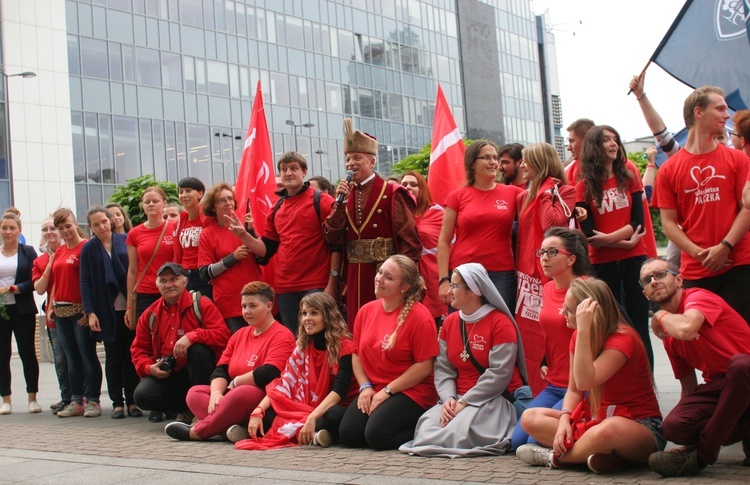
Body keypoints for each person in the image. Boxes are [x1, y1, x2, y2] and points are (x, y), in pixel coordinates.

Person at [516, 278, 664, 474]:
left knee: (609, 430)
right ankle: (605, 457)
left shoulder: (623, 339)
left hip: (639, 426)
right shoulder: (578, 335)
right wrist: (564, 421)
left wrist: (584, 330)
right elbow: (574, 389)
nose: (563, 313)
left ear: (588, 312)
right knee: (530, 417)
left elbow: (586, 381)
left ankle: (557, 458)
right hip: (596, 420)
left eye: (569, 309)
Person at [399, 262, 528, 457]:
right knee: (427, 427)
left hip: (489, 398)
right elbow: (443, 367)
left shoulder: (500, 323)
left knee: (458, 434)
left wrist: (464, 402)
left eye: (455, 286)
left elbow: (499, 374)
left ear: (474, 292)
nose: (449, 291)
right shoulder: (450, 322)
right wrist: (449, 398)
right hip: (455, 397)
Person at [639, 258, 750, 477]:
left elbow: (687, 329)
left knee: (740, 365)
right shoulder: (668, 335)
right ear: (645, 294)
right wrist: (687, 439)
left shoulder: (699, 297)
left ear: (679, 280)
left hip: (745, 372)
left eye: (660, 274)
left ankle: (704, 454)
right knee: (674, 426)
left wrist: (660, 315)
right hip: (723, 387)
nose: (653, 281)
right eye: (647, 279)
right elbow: (688, 386)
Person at [655, 86, 750, 324]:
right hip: (697, 272)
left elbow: (747, 208)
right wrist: (698, 253)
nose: (727, 115)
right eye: (719, 108)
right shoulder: (669, 169)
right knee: (708, 347)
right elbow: (668, 224)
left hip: (739, 264)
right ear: (698, 112)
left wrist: (725, 246)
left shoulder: (738, 158)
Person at [164, 281, 295, 441]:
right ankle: (234, 429)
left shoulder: (282, 335)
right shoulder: (239, 334)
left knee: (241, 393)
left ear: (268, 306)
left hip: (263, 398)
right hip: (232, 395)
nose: (247, 311)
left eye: (252, 306)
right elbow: (221, 369)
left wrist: (235, 383)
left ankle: (198, 432)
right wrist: (216, 393)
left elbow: (270, 373)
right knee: (194, 393)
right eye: (244, 306)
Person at [324, 119, 421, 328]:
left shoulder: (393, 193)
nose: (350, 163)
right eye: (348, 159)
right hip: (353, 273)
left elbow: (410, 241)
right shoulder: (344, 194)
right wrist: (339, 204)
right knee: (357, 327)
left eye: (357, 157)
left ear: (372, 161)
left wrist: (407, 281)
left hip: (386, 274)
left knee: (385, 327)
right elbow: (332, 237)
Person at [339, 255, 438, 450]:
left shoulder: (420, 317)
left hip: (411, 390)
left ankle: (427, 430)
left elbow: (425, 366)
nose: (379, 278)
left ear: (404, 287)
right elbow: (356, 354)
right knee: (349, 434)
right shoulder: (366, 311)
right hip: (375, 387)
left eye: (389, 277)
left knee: (377, 436)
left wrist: (388, 391)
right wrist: (365, 387)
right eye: (380, 272)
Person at [576, 125, 655, 368]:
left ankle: (647, 385)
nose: (613, 144)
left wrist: (610, 240)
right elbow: (589, 235)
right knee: (614, 326)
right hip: (602, 264)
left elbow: (638, 222)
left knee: (640, 325)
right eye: (606, 140)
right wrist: (624, 242)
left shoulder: (629, 177)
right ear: (594, 147)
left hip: (635, 260)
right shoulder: (583, 186)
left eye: (615, 140)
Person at [235, 292, 356, 449]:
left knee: (334, 415)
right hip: (305, 408)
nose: (307, 319)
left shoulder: (345, 346)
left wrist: (312, 417)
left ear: (328, 316)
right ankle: (316, 436)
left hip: (334, 406)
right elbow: (282, 383)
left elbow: (339, 391)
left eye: (314, 313)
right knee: (269, 412)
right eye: (304, 313)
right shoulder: (303, 346)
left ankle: (317, 433)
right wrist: (257, 411)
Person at [240, 151, 341, 333]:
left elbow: (337, 244)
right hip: (285, 288)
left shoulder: (322, 200)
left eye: (293, 168)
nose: (288, 173)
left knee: (321, 341)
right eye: (284, 169)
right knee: (295, 343)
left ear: (304, 172)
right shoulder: (277, 208)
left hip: (316, 285)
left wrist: (332, 282)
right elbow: (266, 250)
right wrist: (243, 235)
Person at [512, 227, 593, 449]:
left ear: (571, 259)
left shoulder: (587, 288)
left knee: (534, 439)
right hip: (554, 383)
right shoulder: (547, 288)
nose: (544, 258)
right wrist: (546, 360)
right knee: (517, 441)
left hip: (580, 386)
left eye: (552, 252)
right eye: (542, 252)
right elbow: (553, 331)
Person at [130, 262, 230, 422]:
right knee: (142, 396)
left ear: (185, 281)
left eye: (173, 279)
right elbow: (138, 350)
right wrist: (149, 368)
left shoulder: (201, 303)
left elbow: (223, 336)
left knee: (197, 350)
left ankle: (204, 409)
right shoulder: (150, 314)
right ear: (157, 285)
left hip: (201, 371)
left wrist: (193, 336)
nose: (169, 285)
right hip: (172, 374)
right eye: (163, 281)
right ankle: (185, 409)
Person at [514, 143, 575, 393]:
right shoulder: (523, 195)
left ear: (540, 163)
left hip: (549, 277)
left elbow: (551, 223)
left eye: (526, 160)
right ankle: (539, 396)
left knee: (551, 336)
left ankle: (561, 393)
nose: (521, 165)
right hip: (525, 279)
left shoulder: (563, 191)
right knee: (529, 341)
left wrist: (547, 187)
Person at [438, 140, 522, 312]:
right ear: (472, 163)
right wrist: (444, 280)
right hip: (462, 275)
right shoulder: (457, 196)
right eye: (486, 158)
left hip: (501, 274)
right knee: (463, 330)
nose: (493, 162)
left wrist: (577, 207)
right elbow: (444, 241)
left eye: (495, 158)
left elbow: (540, 201)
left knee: (501, 327)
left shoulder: (513, 193)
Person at [79, 206, 141, 419]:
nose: (102, 226)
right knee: (113, 357)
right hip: (106, 310)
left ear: (111, 220)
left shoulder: (124, 240)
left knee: (131, 356)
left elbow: (135, 270)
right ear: (91, 227)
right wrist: (91, 312)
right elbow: (85, 282)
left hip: (129, 307)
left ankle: (133, 401)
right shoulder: (89, 249)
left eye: (104, 221)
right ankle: (117, 403)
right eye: (96, 224)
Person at [50, 208, 103, 418]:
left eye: (68, 226)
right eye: (61, 228)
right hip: (61, 311)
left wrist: (89, 310)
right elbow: (56, 281)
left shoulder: (87, 248)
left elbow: (93, 282)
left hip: (80, 311)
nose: (65, 230)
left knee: (87, 356)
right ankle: (76, 400)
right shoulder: (60, 251)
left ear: (76, 224)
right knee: (71, 358)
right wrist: (51, 307)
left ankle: (93, 400)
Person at [198, 183, 264, 334]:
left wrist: (251, 232)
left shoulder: (245, 225)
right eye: (221, 200)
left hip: (257, 296)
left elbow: (262, 257)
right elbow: (204, 272)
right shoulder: (208, 234)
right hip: (230, 302)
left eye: (230, 199)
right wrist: (232, 258)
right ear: (213, 207)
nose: (227, 202)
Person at [0, 211, 40, 415]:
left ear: (19, 231)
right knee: (2, 354)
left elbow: (34, 279)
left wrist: (14, 289)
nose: (8, 232)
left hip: (22, 309)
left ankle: (32, 397)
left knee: (27, 353)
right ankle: (5, 399)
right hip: (1, 311)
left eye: (12, 228)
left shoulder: (28, 252)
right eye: (4, 228)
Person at [125, 186, 178, 331]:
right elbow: (133, 270)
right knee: (146, 337)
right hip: (145, 293)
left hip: (171, 291)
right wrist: (129, 304)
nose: (151, 204)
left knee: (171, 335)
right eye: (147, 202)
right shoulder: (134, 233)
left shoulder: (175, 227)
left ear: (164, 203)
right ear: (143, 205)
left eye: (155, 201)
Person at [32, 218, 70, 414]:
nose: (49, 232)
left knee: (77, 356)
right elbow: (39, 289)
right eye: (45, 229)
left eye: (53, 228)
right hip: (53, 315)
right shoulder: (39, 261)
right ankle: (66, 397)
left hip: (74, 313)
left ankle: (84, 397)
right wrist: (51, 263)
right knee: (60, 358)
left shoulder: (72, 252)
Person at [400, 170, 446, 325]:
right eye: (404, 184)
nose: (408, 187)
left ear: (423, 188)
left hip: (430, 281)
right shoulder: (394, 213)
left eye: (414, 184)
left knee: (428, 326)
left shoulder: (438, 213)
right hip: (401, 280)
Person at [173, 177, 212, 299]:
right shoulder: (179, 221)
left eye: (188, 191)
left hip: (204, 275)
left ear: (200, 193)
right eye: (181, 191)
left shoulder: (209, 218)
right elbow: (178, 253)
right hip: (185, 275)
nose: (184, 195)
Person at [564, 118, 595, 184]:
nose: (568, 148)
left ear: (586, 140)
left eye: (572, 141)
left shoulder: (614, 165)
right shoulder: (569, 170)